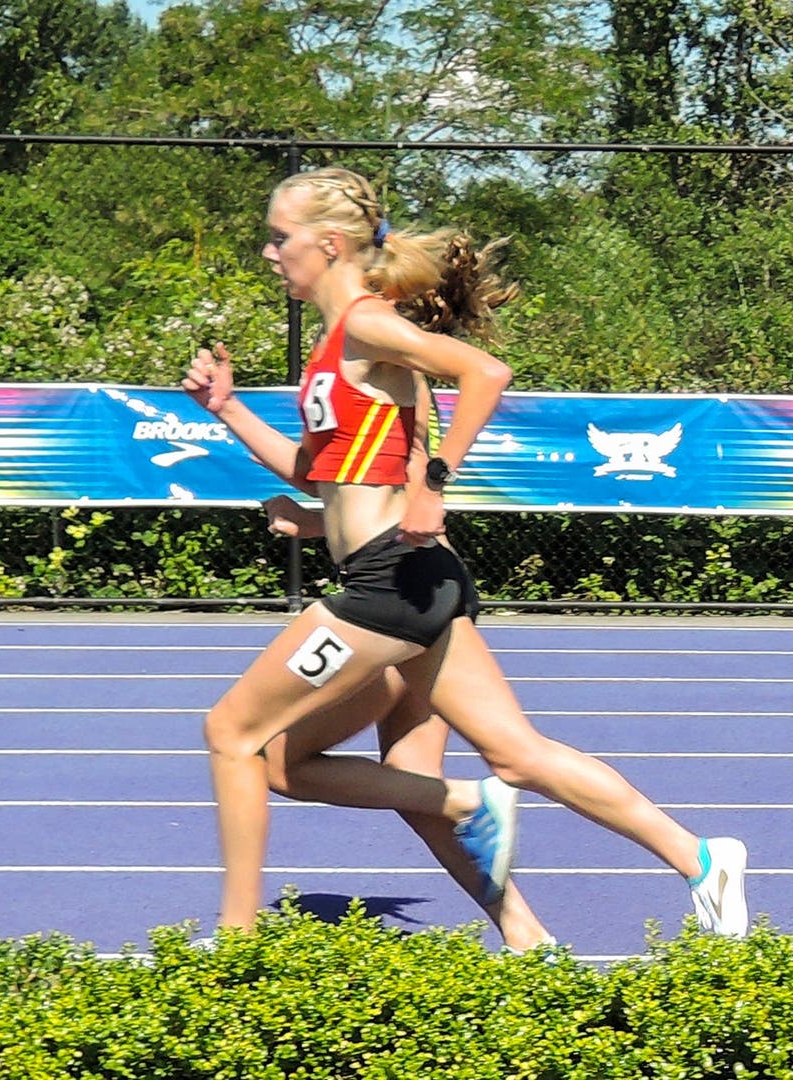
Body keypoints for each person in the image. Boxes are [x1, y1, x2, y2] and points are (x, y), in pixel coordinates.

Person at [181, 166, 749, 939]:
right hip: (415, 575)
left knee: (234, 734)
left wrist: (436, 485)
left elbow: (485, 372)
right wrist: (231, 413)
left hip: (390, 583)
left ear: (328, 243)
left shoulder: (366, 326)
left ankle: (235, 941)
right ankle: (687, 865)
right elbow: (323, 476)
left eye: (279, 238)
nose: (268, 252)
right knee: (511, 757)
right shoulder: (335, 345)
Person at [255, 494, 552, 951]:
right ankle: (526, 934)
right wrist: (312, 520)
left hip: (394, 617)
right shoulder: (380, 441)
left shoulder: (374, 430)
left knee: (275, 761)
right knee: (413, 787)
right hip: (427, 605)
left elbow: (400, 502)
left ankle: (469, 799)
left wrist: (239, 419)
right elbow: (382, 510)